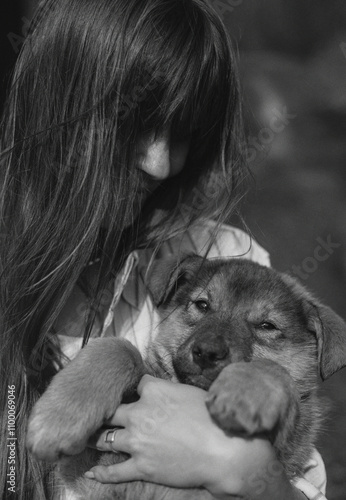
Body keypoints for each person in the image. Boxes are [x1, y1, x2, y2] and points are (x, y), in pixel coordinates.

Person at [0, 0, 327, 499]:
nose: (160, 163)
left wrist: (242, 469)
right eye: (136, 119)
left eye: (184, 133)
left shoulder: (220, 255)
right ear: (57, 100)